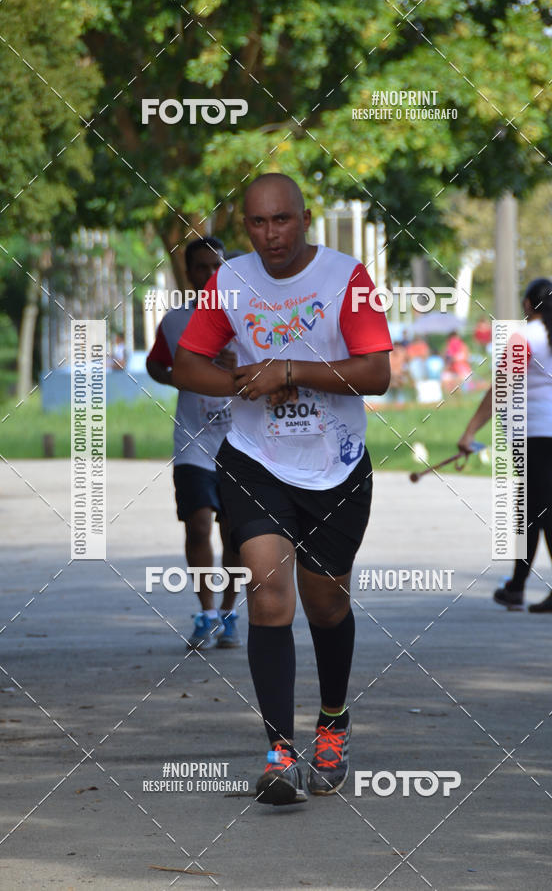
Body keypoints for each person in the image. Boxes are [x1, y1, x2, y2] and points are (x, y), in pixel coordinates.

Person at [172, 173, 392, 805]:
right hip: (254, 458)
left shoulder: (346, 278)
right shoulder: (227, 282)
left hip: (335, 467)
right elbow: (188, 364)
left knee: (326, 605)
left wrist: (291, 370)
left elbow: (376, 372)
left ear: (305, 218)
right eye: (257, 224)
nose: (270, 236)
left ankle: (332, 722)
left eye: (282, 221)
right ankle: (278, 751)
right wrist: (247, 381)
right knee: (269, 594)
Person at [458, 278, 552, 613]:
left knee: (545, 509)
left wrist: (470, 431)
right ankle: (516, 587)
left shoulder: (525, 337)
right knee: (530, 509)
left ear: (529, 304)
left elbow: (500, 388)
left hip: (534, 434)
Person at [146, 237, 241, 650]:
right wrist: (177, 376)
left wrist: (241, 369)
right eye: (200, 267)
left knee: (236, 534)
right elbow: (155, 364)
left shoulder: (249, 318)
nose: (208, 275)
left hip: (241, 441)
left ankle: (228, 613)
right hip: (194, 442)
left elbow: (277, 367)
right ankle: (205, 614)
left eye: (216, 267)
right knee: (198, 524)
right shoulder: (175, 320)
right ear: (188, 273)